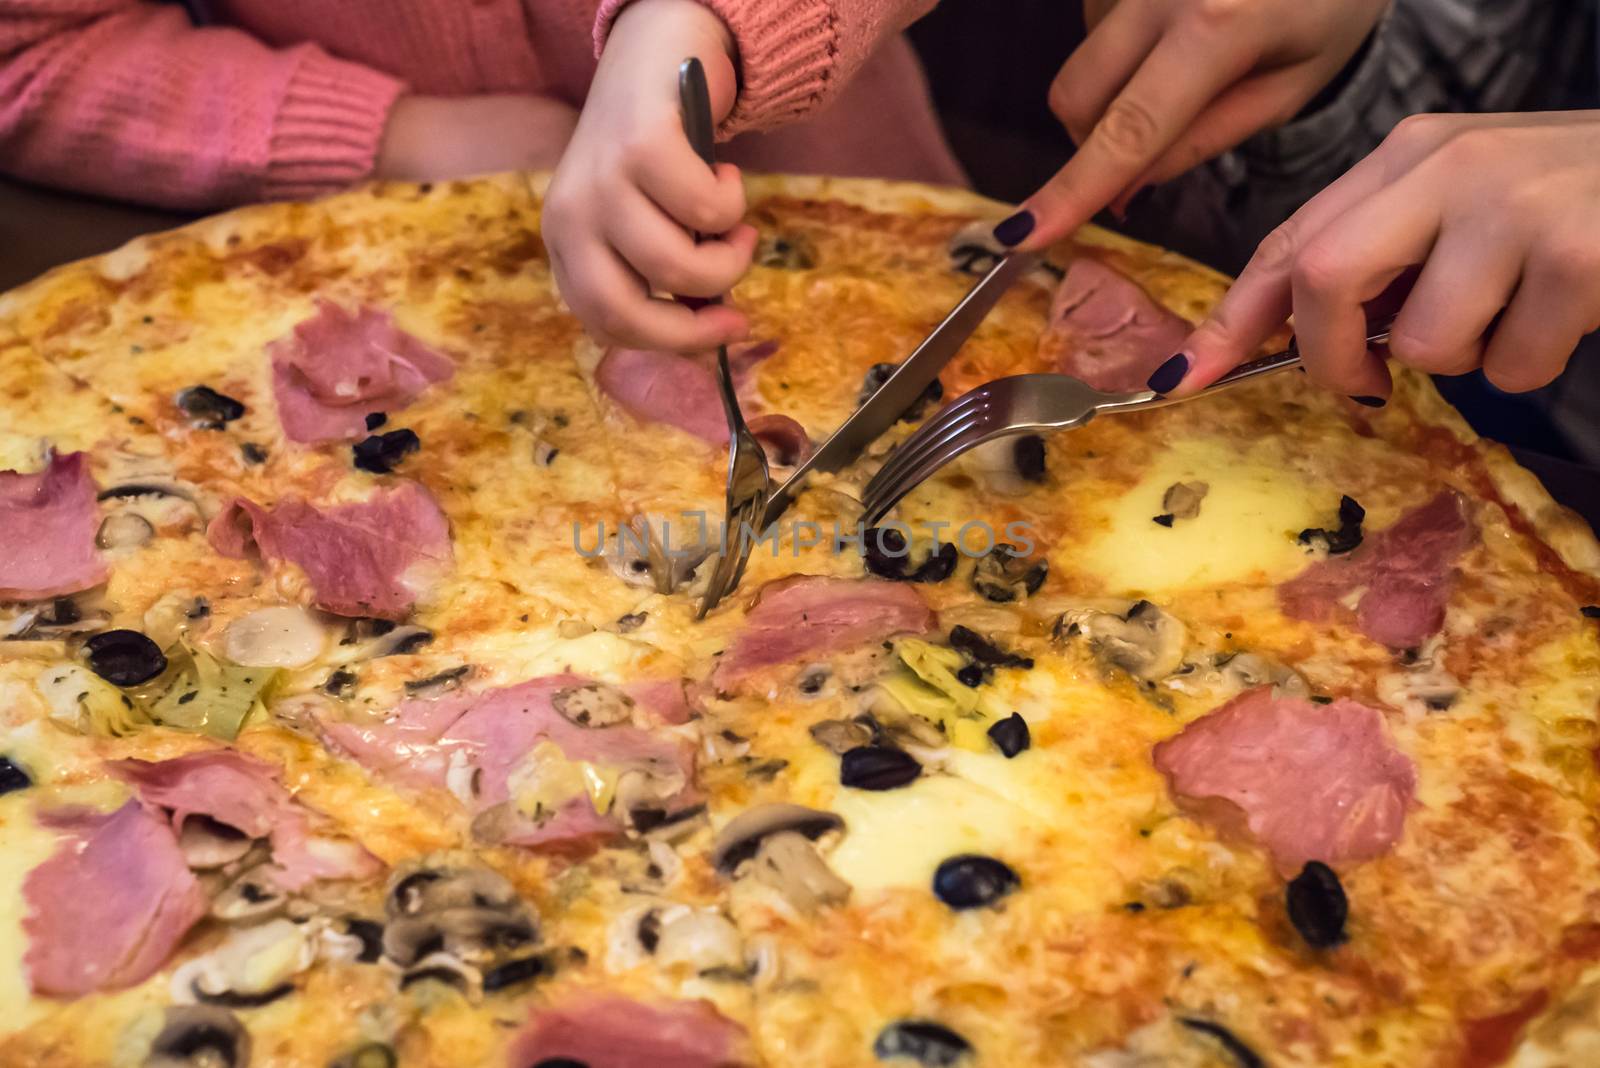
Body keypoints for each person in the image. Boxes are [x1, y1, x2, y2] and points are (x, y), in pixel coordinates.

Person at [0, 0, 962, 232]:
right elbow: (31, 46)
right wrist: (393, 134)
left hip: (841, 227)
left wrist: (714, 13)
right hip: (376, 276)